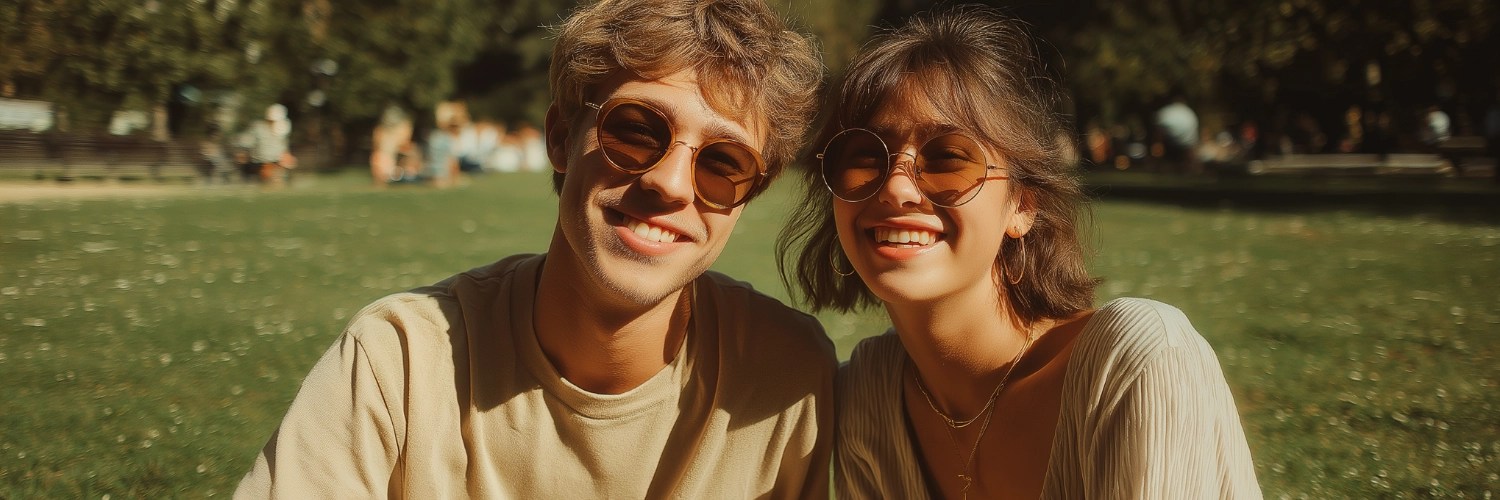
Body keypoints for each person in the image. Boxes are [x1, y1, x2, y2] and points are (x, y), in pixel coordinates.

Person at [235, 0, 832, 498]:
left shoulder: (787, 379)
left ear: (748, 197)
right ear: (561, 138)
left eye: (724, 163)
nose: (669, 183)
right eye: (635, 130)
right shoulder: (400, 362)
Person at [777, 8, 1260, 499]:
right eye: (863, 155)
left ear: (1023, 206)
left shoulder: (1138, 363)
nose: (897, 189)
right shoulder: (869, 394)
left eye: (947, 157)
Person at [248, 103, 294, 188]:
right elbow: (257, 147)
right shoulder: (259, 128)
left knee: (287, 163)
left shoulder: (282, 127)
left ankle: (277, 179)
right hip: (263, 159)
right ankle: (271, 179)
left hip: (276, 158)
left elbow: (283, 145)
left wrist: (286, 155)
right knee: (269, 171)